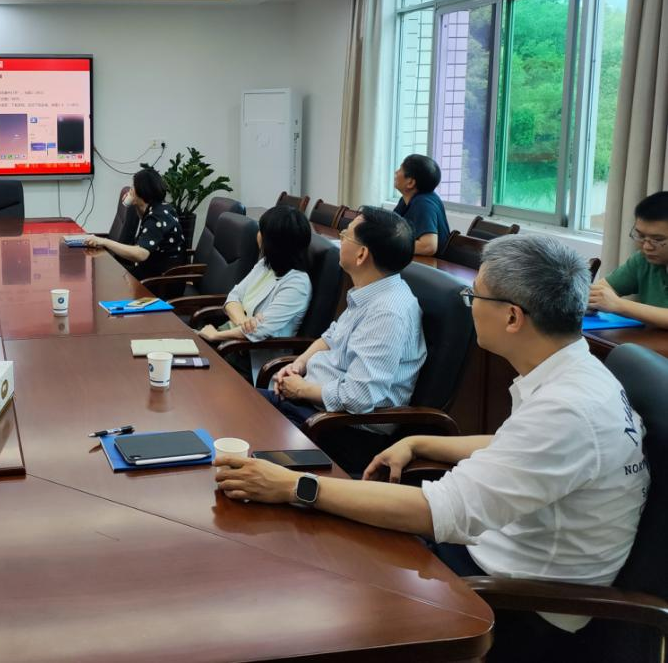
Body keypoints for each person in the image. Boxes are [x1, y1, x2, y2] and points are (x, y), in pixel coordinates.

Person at [216, 235, 648, 660]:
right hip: (492, 554)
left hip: (517, 603)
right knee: (324, 546)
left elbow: (440, 511)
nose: (470, 305)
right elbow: (518, 446)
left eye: (474, 296)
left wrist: (293, 486)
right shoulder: (577, 373)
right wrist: (422, 441)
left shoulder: (569, 409)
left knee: (325, 593)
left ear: (513, 317)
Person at [262, 207, 424, 469]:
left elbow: (359, 396)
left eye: (346, 234)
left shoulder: (387, 313)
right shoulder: (370, 291)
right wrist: (299, 364)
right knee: (235, 406)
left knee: (242, 433)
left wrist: (301, 389)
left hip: (340, 429)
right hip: (313, 408)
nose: (340, 239)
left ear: (362, 254)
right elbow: (330, 338)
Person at [198, 204, 313, 379]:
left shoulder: (297, 284)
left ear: (274, 242)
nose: (258, 235)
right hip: (232, 344)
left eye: (261, 231)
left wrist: (216, 335)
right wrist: (243, 321)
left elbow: (259, 331)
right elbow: (233, 297)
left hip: (250, 360)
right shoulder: (266, 265)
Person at [83, 168, 186, 279]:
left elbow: (141, 254)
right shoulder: (160, 208)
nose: (130, 191)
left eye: (132, 188)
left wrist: (104, 241)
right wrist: (136, 205)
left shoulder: (157, 217)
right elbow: (147, 228)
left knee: (105, 275)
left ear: (142, 191)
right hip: (152, 272)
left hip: (161, 281)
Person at [590, 190, 668, 329]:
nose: (646, 246)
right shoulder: (643, 260)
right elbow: (602, 290)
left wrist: (619, 305)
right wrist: (589, 301)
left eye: (657, 239)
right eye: (641, 236)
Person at [393, 154, 451, 257]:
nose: (396, 172)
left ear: (410, 183)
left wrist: (389, 245)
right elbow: (391, 227)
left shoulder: (424, 204)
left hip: (430, 265)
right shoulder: (406, 199)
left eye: (401, 169)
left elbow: (429, 246)